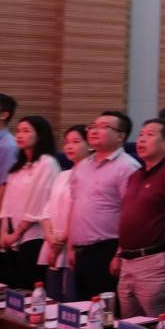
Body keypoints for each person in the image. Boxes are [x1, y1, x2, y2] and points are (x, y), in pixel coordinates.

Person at [115, 119, 165, 329]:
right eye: (141, 134)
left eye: (150, 134)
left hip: (156, 262)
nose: (142, 139)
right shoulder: (135, 175)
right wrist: (118, 252)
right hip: (127, 261)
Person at [69, 111, 141, 300]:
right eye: (92, 126)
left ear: (121, 136)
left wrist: (119, 254)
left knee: (103, 311)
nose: (94, 131)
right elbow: (74, 206)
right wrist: (70, 248)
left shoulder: (127, 167)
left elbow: (131, 214)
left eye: (104, 127)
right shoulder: (82, 165)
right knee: (81, 308)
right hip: (80, 250)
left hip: (107, 250)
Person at [0, 116, 60, 289]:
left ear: (39, 135)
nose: (19, 135)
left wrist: (16, 234)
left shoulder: (47, 163)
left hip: (35, 236)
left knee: (30, 288)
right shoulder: (18, 167)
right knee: (11, 288)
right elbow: (7, 203)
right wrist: (3, 232)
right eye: (18, 131)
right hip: (12, 236)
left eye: (26, 131)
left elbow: (38, 204)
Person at [40, 125, 90, 301]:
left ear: (90, 145)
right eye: (67, 142)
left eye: (76, 142)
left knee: (70, 299)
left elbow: (78, 211)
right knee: (52, 298)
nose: (69, 146)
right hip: (52, 243)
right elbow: (46, 210)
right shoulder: (62, 175)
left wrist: (60, 241)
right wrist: (50, 238)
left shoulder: (89, 176)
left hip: (71, 244)